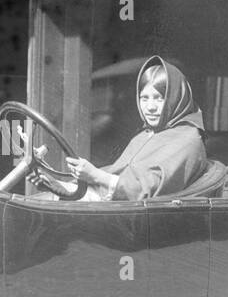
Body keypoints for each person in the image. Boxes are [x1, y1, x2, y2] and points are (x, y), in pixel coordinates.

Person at [65, 55, 207, 200]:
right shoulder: (145, 135)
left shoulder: (187, 139)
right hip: (110, 203)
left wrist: (95, 175)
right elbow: (118, 174)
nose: (150, 107)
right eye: (144, 98)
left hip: (132, 215)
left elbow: (144, 191)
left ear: (176, 98)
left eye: (159, 98)